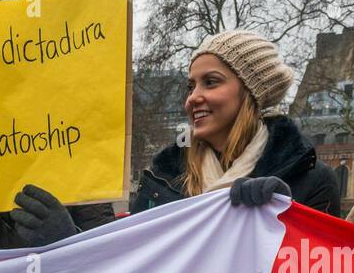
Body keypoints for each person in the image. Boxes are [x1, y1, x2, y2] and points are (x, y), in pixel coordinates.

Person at [131, 31, 341, 217]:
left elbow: (315, 258)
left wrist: (287, 215)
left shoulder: (312, 180)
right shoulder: (160, 178)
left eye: (211, 82)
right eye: (191, 86)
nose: (192, 98)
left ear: (250, 94)